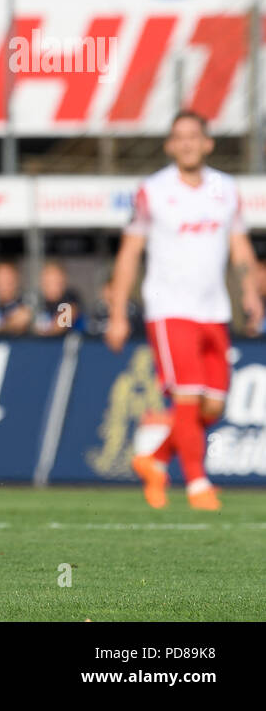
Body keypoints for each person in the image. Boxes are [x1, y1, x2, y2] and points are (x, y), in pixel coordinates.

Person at [107, 109, 263, 511]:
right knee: (188, 397)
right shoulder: (153, 191)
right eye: (180, 136)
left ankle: (155, 460)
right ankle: (197, 485)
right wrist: (120, 313)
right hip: (169, 308)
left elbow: (240, 246)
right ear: (170, 145)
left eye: (195, 135)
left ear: (208, 143)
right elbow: (129, 253)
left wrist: (250, 293)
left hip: (214, 310)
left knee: (212, 406)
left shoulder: (226, 189)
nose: (188, 142)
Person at [33, 261, 84, 336]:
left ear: (63, 281)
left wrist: (37, 330)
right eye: (48, 282)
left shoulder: (71, 298)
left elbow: (60, 326)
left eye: (55, 281)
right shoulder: (37, 301)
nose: (52, 286)